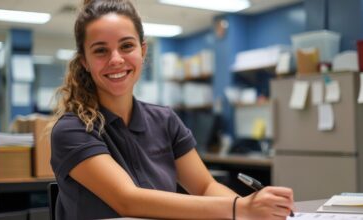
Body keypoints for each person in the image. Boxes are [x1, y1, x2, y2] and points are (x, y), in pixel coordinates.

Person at [49, 0, 295, 219]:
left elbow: (205, 187)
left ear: (143, 52)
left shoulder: (164, 120)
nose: (116, 59)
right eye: (101, 50)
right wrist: (239, 209)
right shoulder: (72, 129)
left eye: (126, 46)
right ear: (85, 61)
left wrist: (250, 210)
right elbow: (128, 200)